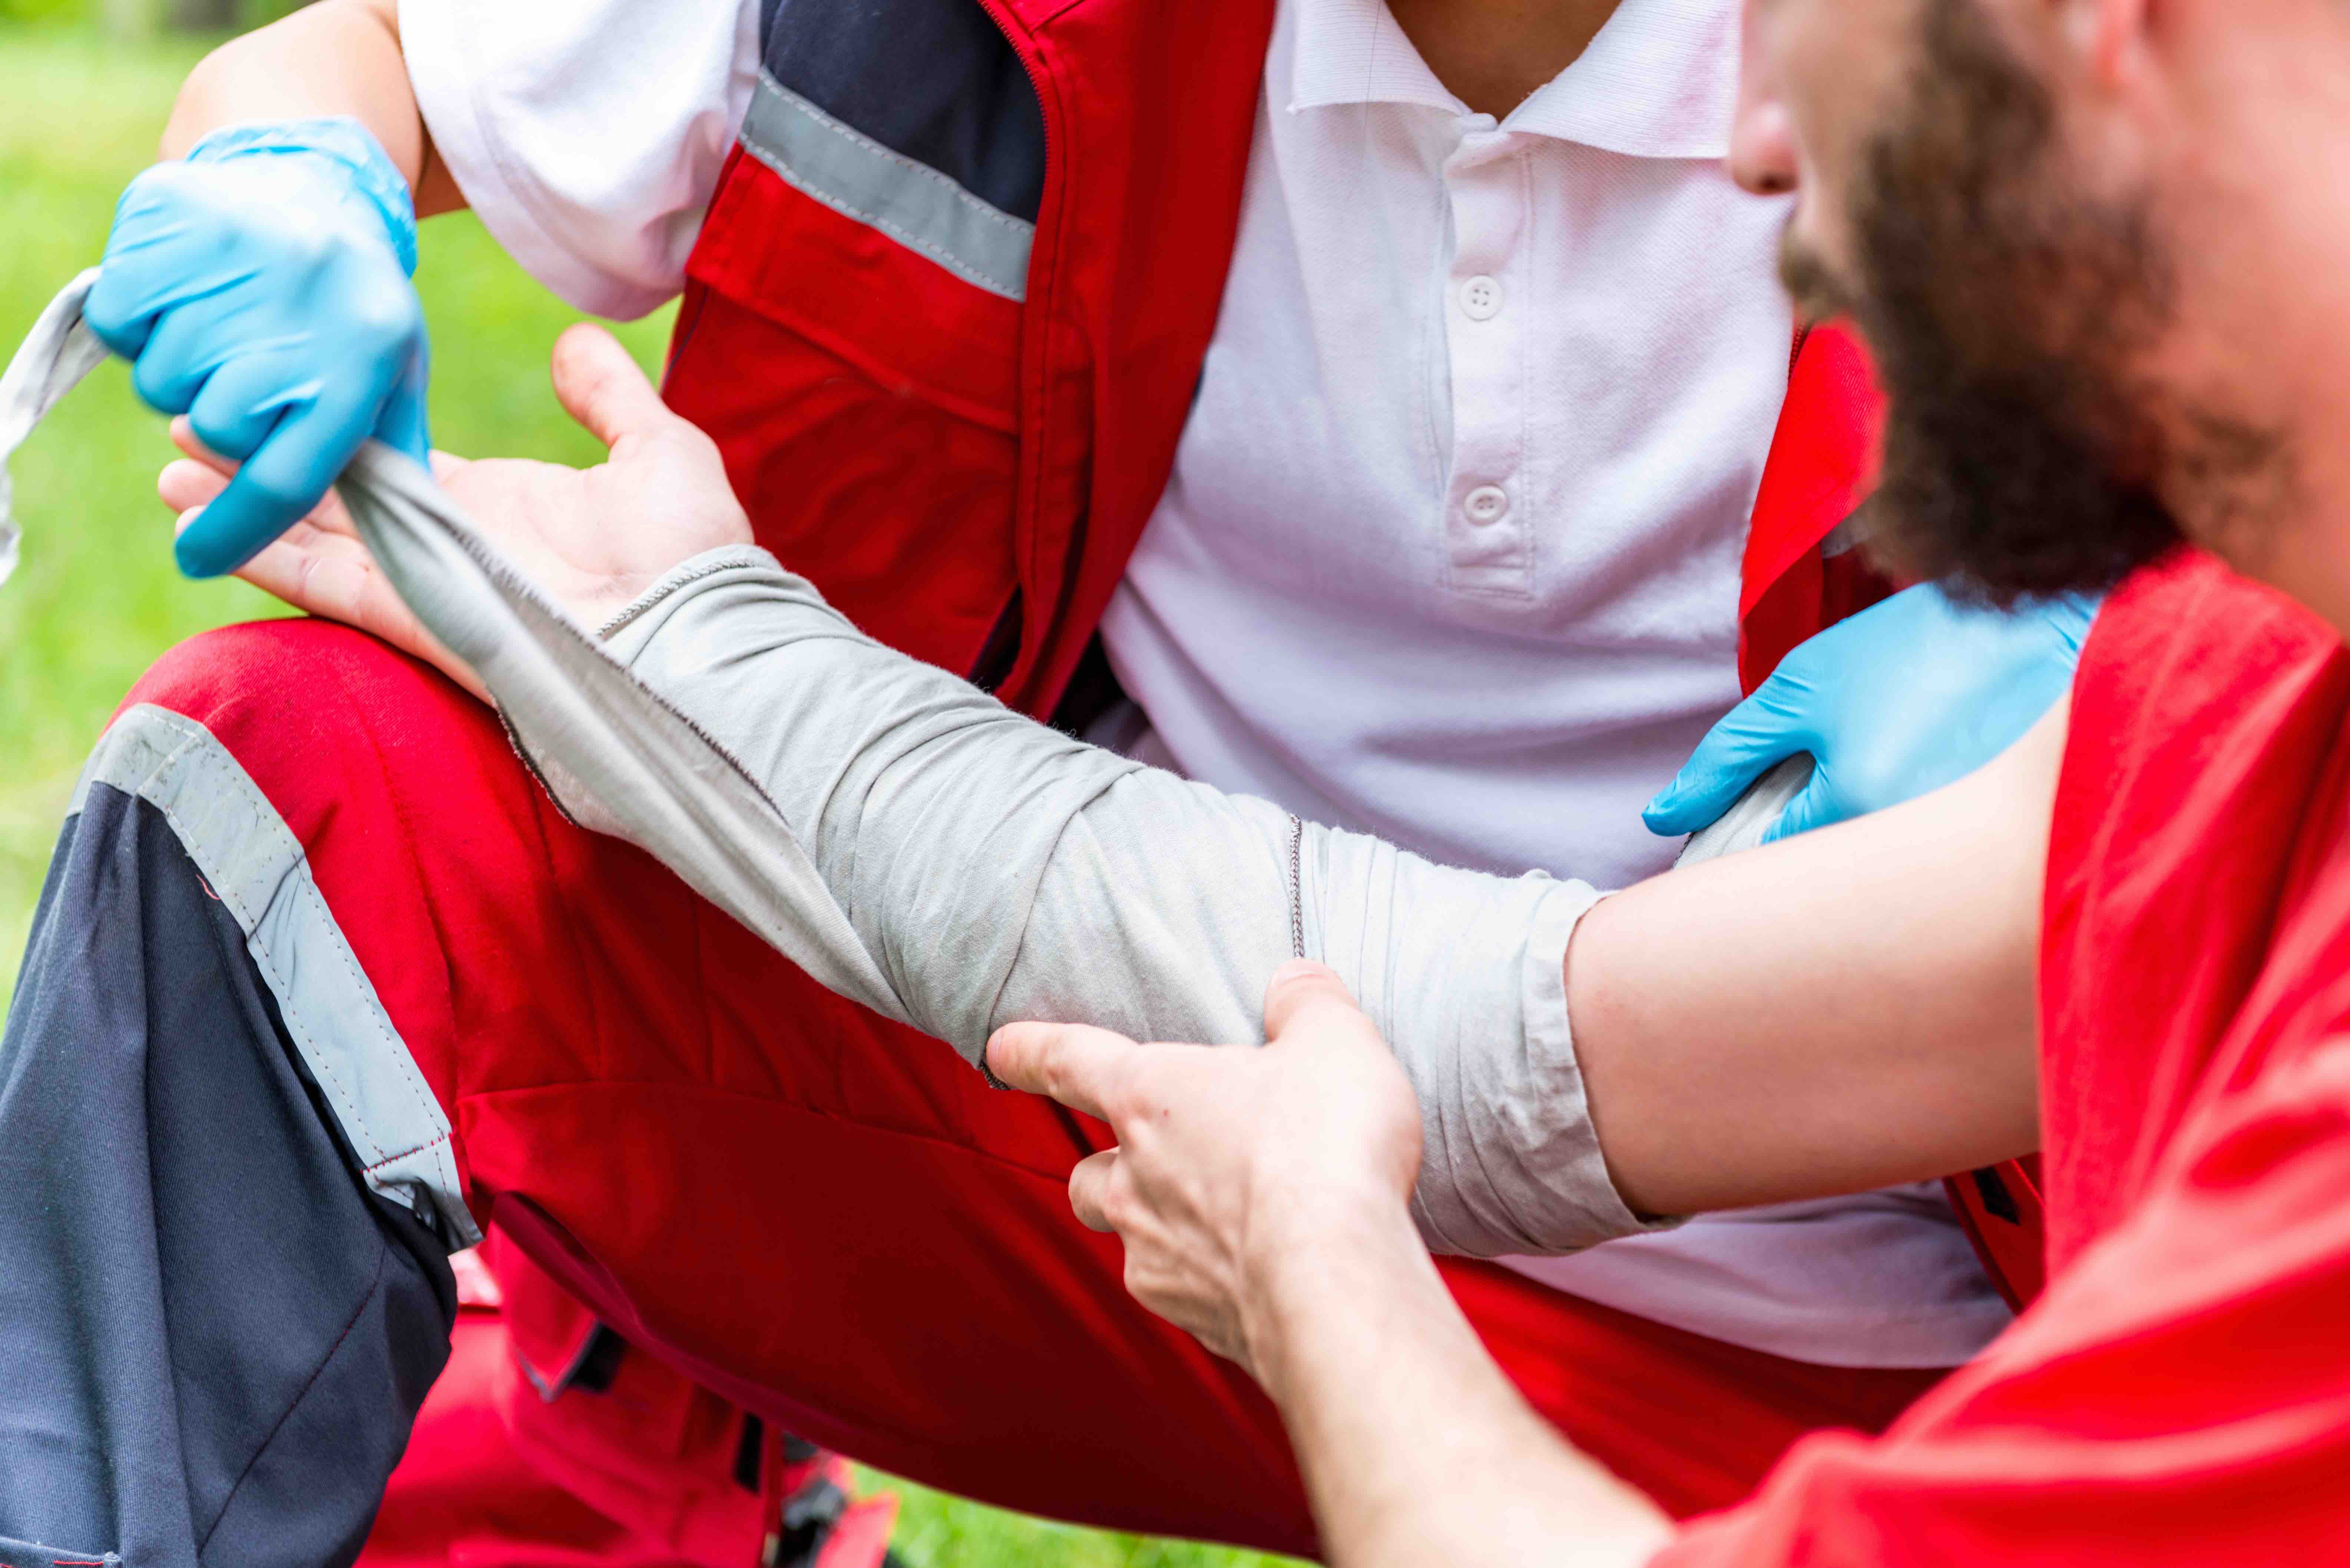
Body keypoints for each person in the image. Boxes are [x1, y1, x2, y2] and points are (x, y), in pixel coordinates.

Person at [0, 0, 2082, 1562]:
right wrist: (284, 159)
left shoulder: (2110, 112)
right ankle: (586, 1476)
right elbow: (349, 55)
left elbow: (1602, 1050)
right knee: (301, 773)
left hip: (1900, 1338)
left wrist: (2150, 635)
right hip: (1100, 1143)